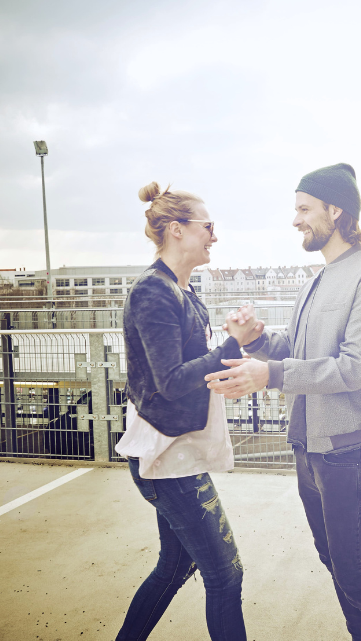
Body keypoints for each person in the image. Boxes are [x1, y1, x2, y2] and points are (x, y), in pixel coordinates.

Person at [206, 164, 361, 641]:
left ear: (335, 210)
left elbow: (355, 367)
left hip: (344, 447)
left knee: (357, 573)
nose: (295, 220)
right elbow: (297, 354)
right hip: (307, 444)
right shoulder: (316, 279)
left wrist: (271, 375)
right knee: (336, 565)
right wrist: (254, 339)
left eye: (304, 209)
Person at [115, 181, 247, 641]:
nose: (215, 235)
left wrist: (232, 363)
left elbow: (192, 371)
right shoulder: (154, 293)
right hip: (166, 455)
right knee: (226, 576)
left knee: (174, 568)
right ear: (177, 230)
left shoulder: (182, 291)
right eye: (208, 226)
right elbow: (169, 381)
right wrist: (232, 347)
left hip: (176, 448)